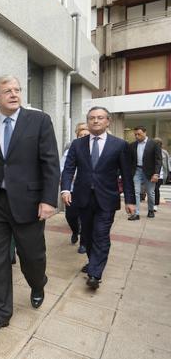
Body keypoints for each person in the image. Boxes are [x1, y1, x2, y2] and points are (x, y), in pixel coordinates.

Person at [0, 75, 60, 336]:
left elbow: (50, 164)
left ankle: (38, 283)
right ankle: (0, 312)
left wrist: (47, 199)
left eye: (17, 90)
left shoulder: (39, 121)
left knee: (32, 256)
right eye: (6, 91)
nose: (14, 94)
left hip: (29, 203)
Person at [61, 107, 135, 290]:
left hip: (106, 199)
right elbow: (69, 168)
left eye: (100, 118)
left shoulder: (119, 145)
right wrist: (65, 190)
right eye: (92, 118)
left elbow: (127, 175)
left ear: (108, 121)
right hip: (83, 198)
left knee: (100, 235)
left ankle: (94, 273)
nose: (95, 121)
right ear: (87, 121)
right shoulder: (77, 145)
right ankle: (93, 261)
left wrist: (130, 201)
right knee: (86, 235)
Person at [60, 122, 88, 253]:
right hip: (71, 188)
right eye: (80, 135)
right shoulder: (70, 149)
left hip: (87, 190)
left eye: (86, 135)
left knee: (86, 216)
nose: (83, 137)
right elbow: (63, 168)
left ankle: (84, 242)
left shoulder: (95, 150)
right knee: (70, 215)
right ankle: (75, 231)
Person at [128, 126, 162, 220]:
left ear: (145, 132)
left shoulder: (154, 144)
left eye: (139, 134)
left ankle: (151, 210)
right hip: (137, 171)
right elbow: (130, 160)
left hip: (150, 172)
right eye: (135, 134)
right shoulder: (132, 145)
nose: (137, 136)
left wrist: (156, 174)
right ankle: (136, 214)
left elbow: (158, 160)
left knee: (150, 193)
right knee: (136, 192)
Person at [153, 137, 169, 211]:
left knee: (156, 189)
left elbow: (167, 163)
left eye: (158, 143)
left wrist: (169, 173)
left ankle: (155, 204)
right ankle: (152, 203)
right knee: (151, 190)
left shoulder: (164, 152)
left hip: (161, 175)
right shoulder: (150, 151)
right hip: (151, 174)